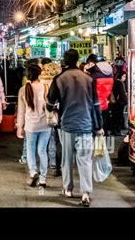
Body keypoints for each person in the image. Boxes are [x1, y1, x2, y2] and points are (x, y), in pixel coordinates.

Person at [46, 49, 104, 207]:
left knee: (67, 159)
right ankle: (86, 193)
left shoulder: (59, 79)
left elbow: (49, 103)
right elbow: (96, 104)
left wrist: (53, 108)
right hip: (86, 125)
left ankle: (68, 189)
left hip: (67, 125)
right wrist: (99, 126)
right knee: (85, 160)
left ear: (64, 62)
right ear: (78, 60)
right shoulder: (88, 79)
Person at [16, 64, 51, 188]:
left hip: (31, 125)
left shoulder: (23, 89)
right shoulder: (46, 87)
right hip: (45, 125)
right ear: (39, 74)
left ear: (27, 75)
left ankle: (33, 172)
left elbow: (21, 111)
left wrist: (19, 127)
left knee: (30, 149)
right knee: (42, 151)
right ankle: (43, 179)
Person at [40, 58, 63, 177]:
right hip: (55, 113)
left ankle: (44, 163)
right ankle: (54, 163)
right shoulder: (57, 82)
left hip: (42, 114)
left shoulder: (40, 82)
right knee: (55, 139)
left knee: (44, 140)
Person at [84, 54, 114, 135]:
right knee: (104, 119)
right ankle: (105, 137)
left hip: (95, 103)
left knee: (96, 122)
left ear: (91, 62)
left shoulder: (93, 74)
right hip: (104, 101)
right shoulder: (109, 72)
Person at [110, 71, 128, 135]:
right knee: (118, 117)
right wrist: (126, 101)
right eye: (123, 76)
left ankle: (113, 131)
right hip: (119, 103)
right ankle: (117, 131)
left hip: (114, 102)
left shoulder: (114, 81)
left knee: (114, 117)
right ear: (120, 75)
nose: (125, 78)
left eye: (125, 77)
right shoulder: (119, 82)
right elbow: (122, 93)